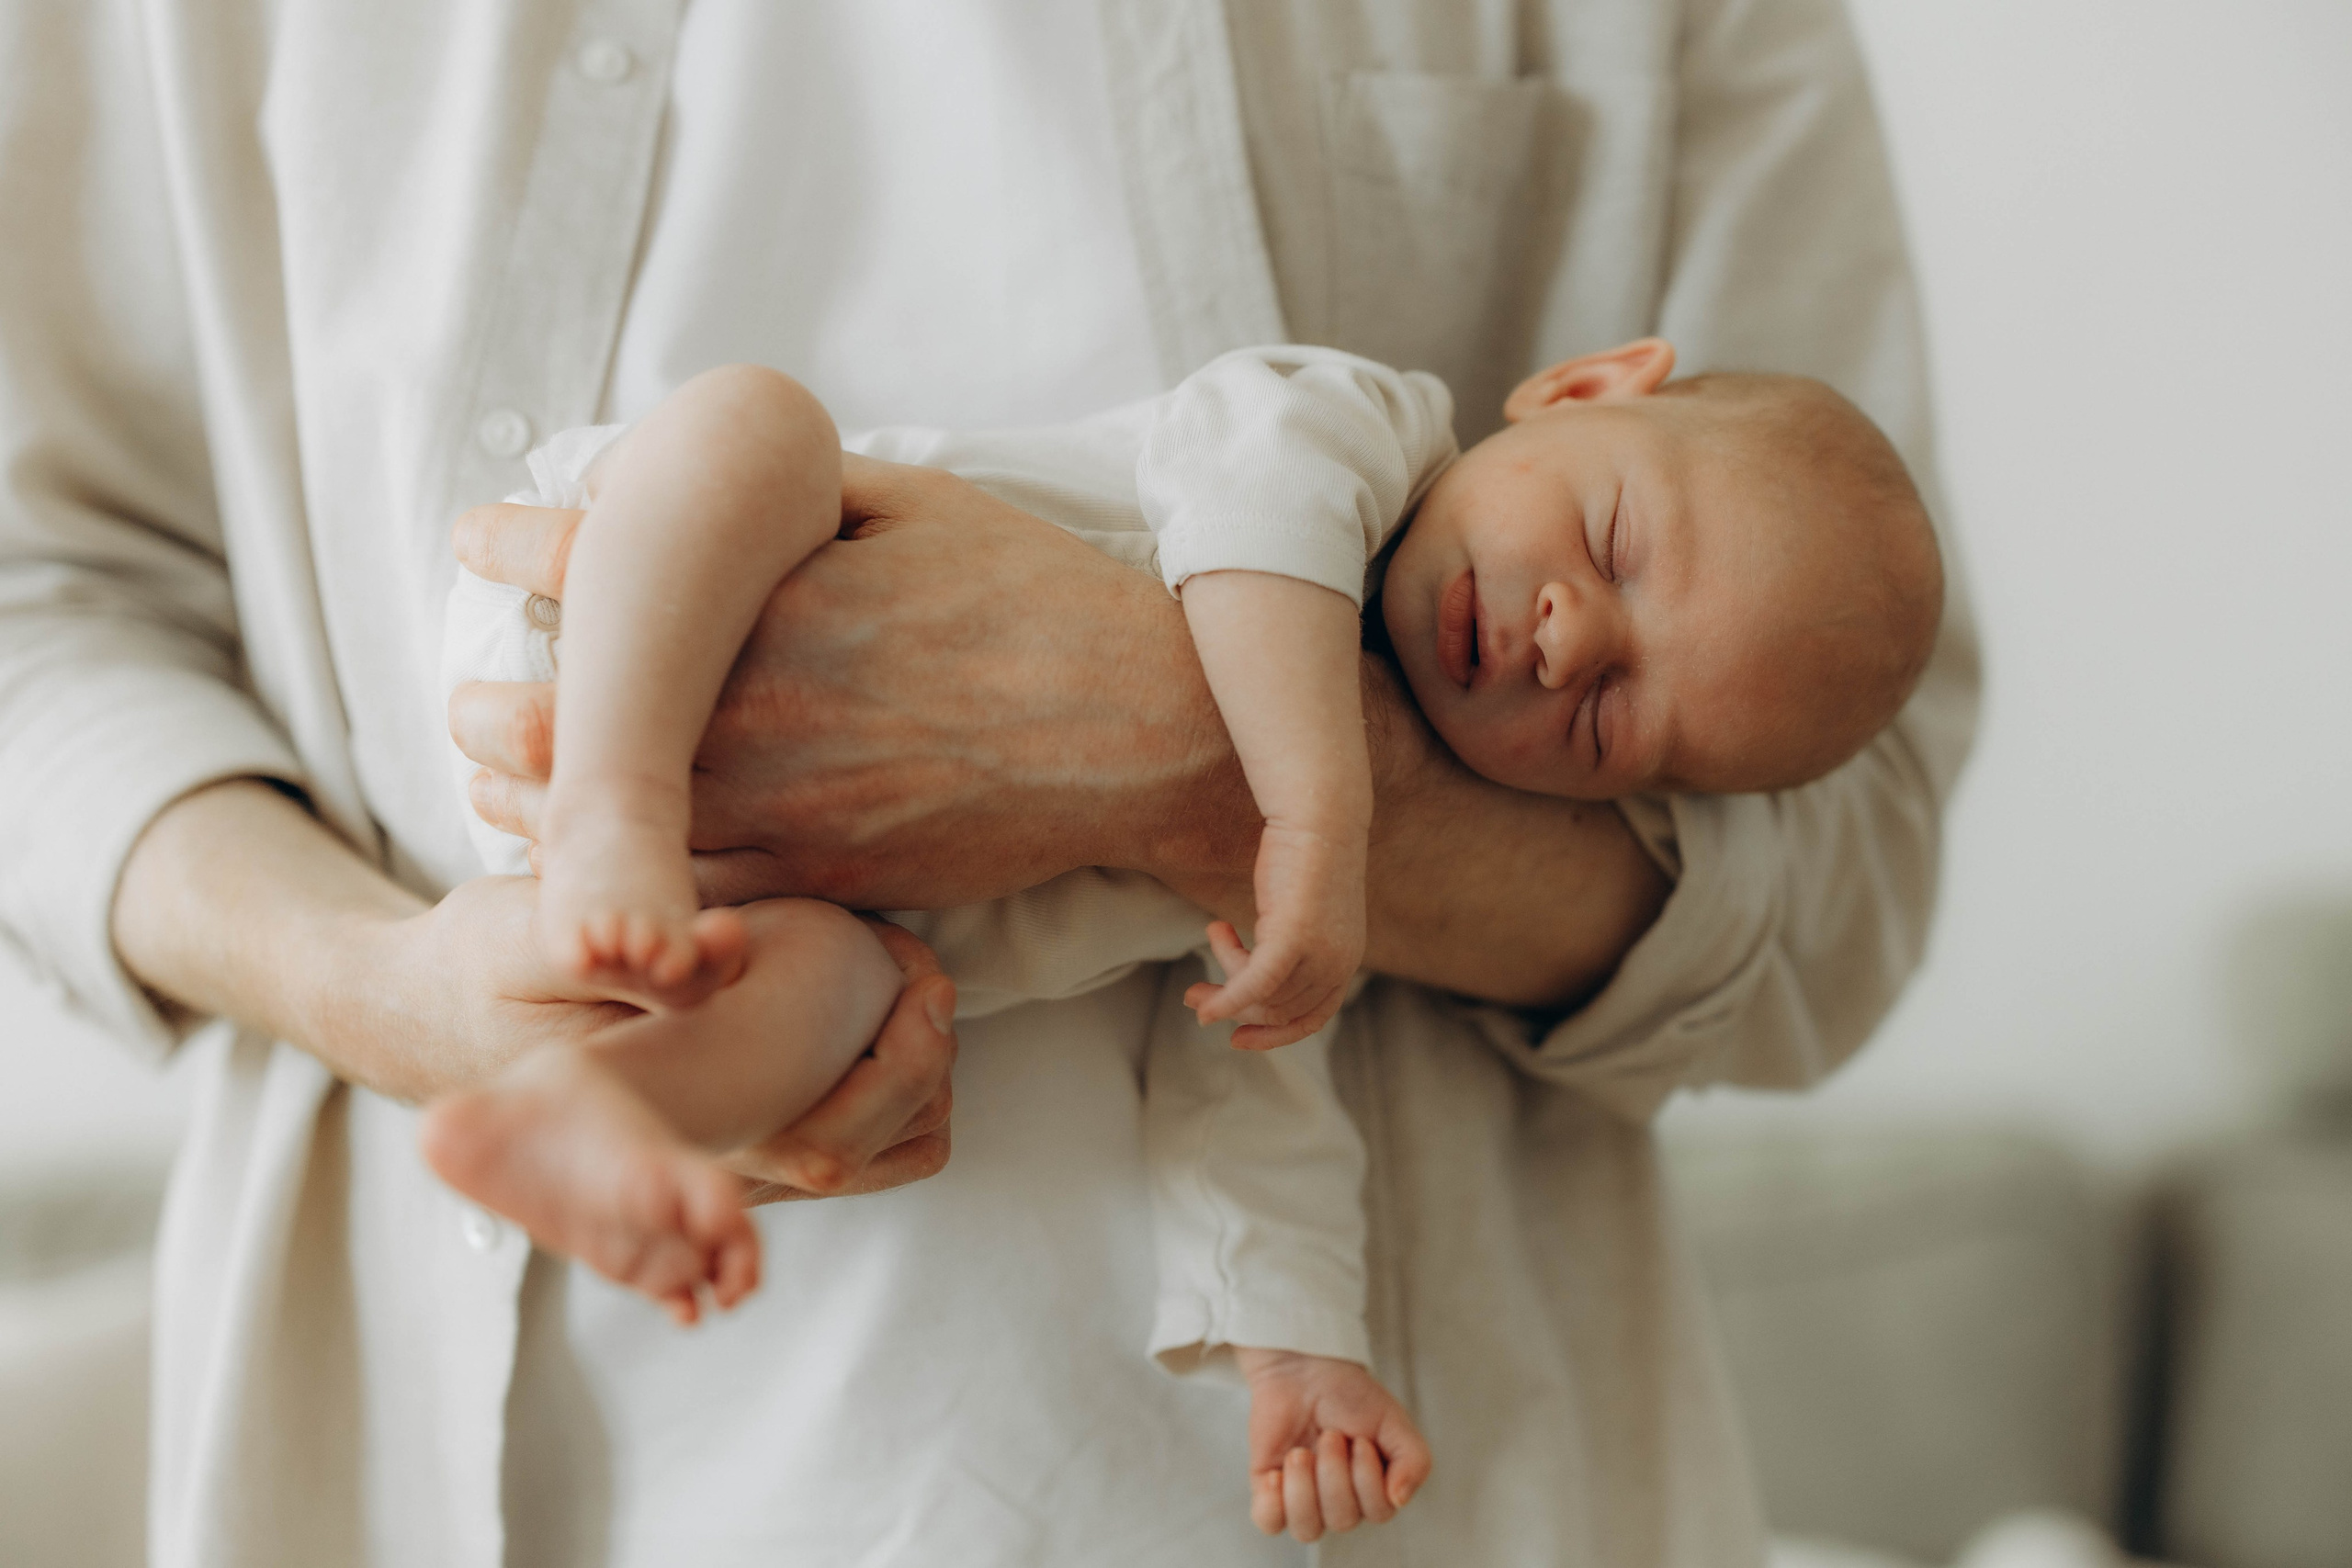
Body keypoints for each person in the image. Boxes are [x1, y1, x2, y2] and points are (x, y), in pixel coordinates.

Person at [0, 3, 1979, 1563]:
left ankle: (596, 1122)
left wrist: (1300, 1351)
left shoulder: (1286, 913)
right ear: (1582, 389)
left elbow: (1280, 1096)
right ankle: (610, 799)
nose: (1560, 640)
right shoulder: (1369, 432)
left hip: (1165, 1459)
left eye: (1613, 720)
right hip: (592, 628)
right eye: (1609, 548)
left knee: (832, 994)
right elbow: (40, 603)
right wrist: (373, 988)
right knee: (755, 429)